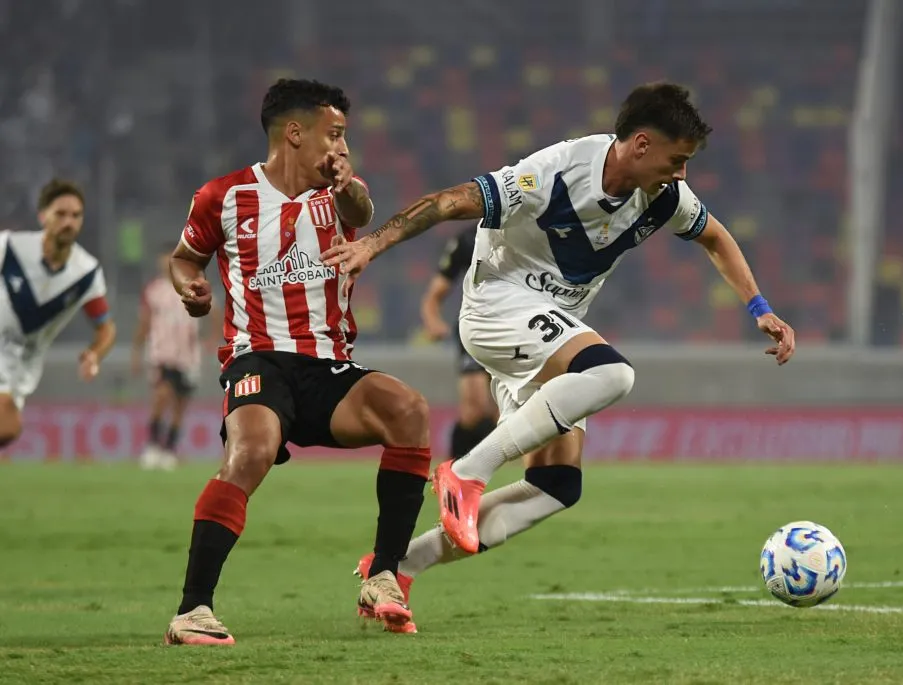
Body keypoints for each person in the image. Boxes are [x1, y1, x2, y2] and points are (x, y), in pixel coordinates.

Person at [323, 82, 796, 588]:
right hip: (496, 306)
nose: (681, 174)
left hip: (548, 328)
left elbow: (716, 237)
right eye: (676, 159)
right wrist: (373, 243)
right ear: (640, 144)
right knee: (611, 373)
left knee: (555, 485)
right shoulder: (556, 172)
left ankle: (395, 568)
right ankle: (467, 471)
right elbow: (448, 202)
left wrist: (759, 307)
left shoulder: (665, 196)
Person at [163, 78, 433, 644]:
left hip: (328, 368)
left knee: (409, 410)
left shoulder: (341, 195)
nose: (340, 145)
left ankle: (383, 576)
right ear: (294, 133)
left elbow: (362, 208)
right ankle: (192, 611)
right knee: (253, 449)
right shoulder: (223, 196)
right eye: (333, 133)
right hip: (256, 359)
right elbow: (186, 259)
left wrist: (345, 183)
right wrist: (191, 288)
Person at [0, 179, 116, 448]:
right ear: (43, 216)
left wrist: (94, 354)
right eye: (61, 214)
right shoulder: (10, 247)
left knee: (8, 428)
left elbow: (106, 328)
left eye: (76, 215)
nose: (69, 222)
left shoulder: (86, 273)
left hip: (24, 364)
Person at [131, 244, 219, 470]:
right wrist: (136, 352)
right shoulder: (154, 290)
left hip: (188, 356)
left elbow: (216, 312)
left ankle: (169, 450)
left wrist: (212, 339)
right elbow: (144, 323)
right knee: (162, 395)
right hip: (162, 353)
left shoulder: (194, 285)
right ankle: (152, 446)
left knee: (181, 404)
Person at [420, 225, 498, 460]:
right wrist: (432, 320)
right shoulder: (467, 239)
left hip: (517, 326)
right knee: (474, 409)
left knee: (499, 413)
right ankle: (453, 470)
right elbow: (435, 293)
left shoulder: (529, 230)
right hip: (476, 326)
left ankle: (479, 470)